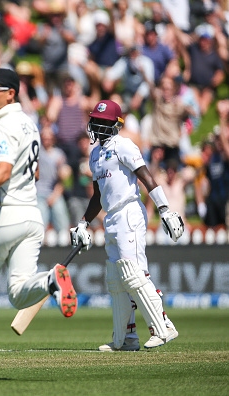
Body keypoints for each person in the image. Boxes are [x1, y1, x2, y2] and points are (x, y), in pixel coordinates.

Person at [0, 68, 78, 380]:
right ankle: (50, 280)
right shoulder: (29, 124)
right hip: (31, 216)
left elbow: (5, 170)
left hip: (3, 218)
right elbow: (30, 174)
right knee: (20, 292)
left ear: (11, 93)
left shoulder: (4, 126)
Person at [70, 99, 183, 352]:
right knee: (116, 279)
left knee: (134, 274)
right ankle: (125, 339)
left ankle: (163, 327)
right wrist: (83, 223)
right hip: (111, 217)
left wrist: (164, 209)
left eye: (103, 122)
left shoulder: (124, 145)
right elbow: (98, 196)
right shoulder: (95, 155)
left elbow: (146, 177)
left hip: (130, 212)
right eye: (95, 121)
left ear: (114, 125)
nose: (97, 126)